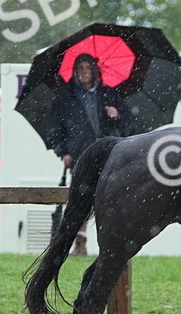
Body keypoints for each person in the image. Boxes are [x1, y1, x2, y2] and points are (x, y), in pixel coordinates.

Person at [52, 53, 129, 254]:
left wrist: (115, 115)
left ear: (94, 71)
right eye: (79, 68)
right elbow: (56, 129)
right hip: (79, 155)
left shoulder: (108, 94)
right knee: (80, 198)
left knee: (109, 197)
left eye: (87, 68)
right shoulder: (66, 98)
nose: (83, 72)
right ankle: (79, 241)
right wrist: (64, 152)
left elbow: (126, 125)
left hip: (108, 153)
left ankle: (111, 242)